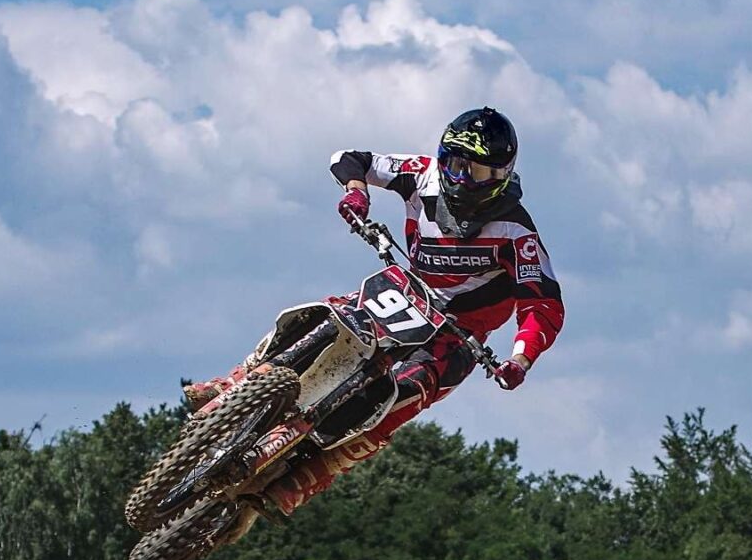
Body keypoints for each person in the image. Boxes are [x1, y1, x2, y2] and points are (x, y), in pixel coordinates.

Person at [185, 107, 564, 520]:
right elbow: (350, 159)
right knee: (325, 317)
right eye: (457, 165)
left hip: (459, 333)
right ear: (443, 158)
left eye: (480, 172)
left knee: (407, 394)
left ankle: (311, 476)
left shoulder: (516, 231)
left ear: (503, 175)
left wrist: (519, 360)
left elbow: (542, 304)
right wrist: (356, 192)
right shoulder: (420, 174)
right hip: (406, 289)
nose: (464, 180)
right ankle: (237, 382)